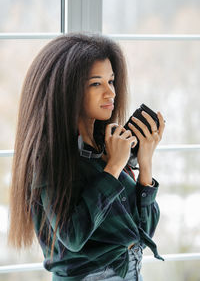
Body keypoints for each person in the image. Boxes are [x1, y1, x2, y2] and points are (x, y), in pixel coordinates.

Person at [8, 32, 165, 281]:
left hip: (130, 271)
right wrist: (113, 167)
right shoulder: (49, 159)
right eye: (96, 83)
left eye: (111, 81)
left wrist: (144, 163)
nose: (110, 93)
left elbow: (142, 234)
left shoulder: (108, 146)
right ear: (67, 90)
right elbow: (73, 236)